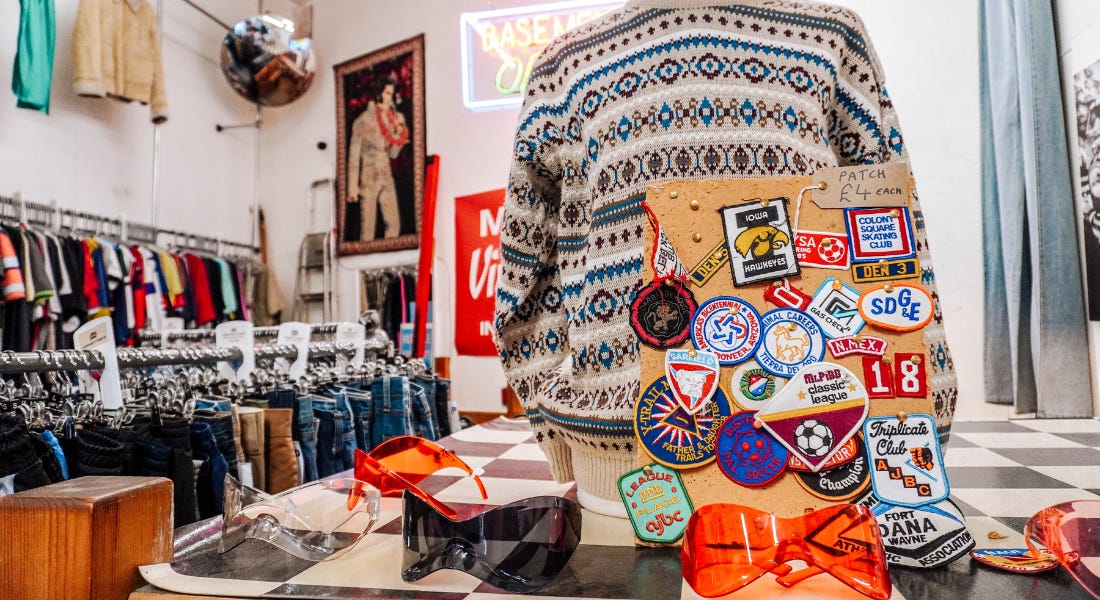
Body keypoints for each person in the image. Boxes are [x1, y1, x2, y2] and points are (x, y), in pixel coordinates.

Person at [494, 0, 958, 516]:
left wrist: (916, 417)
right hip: (621, 470)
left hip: (816, 450)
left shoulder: (831, 34)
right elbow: (525, 270)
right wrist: (559, 422)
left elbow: (893, 234)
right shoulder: (564, 65)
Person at [347, 76, 408, 241]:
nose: (390, 98)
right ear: (379, 94)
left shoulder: (390, 120)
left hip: (386, 176)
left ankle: (388, 264)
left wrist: (400, 131)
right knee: (367, 231)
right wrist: (352, 187)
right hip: (369, 177)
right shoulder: (362, 120)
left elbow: (393, 154)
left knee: (394, 224)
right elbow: (353, 155)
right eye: (387, 93)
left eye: (392, 94)